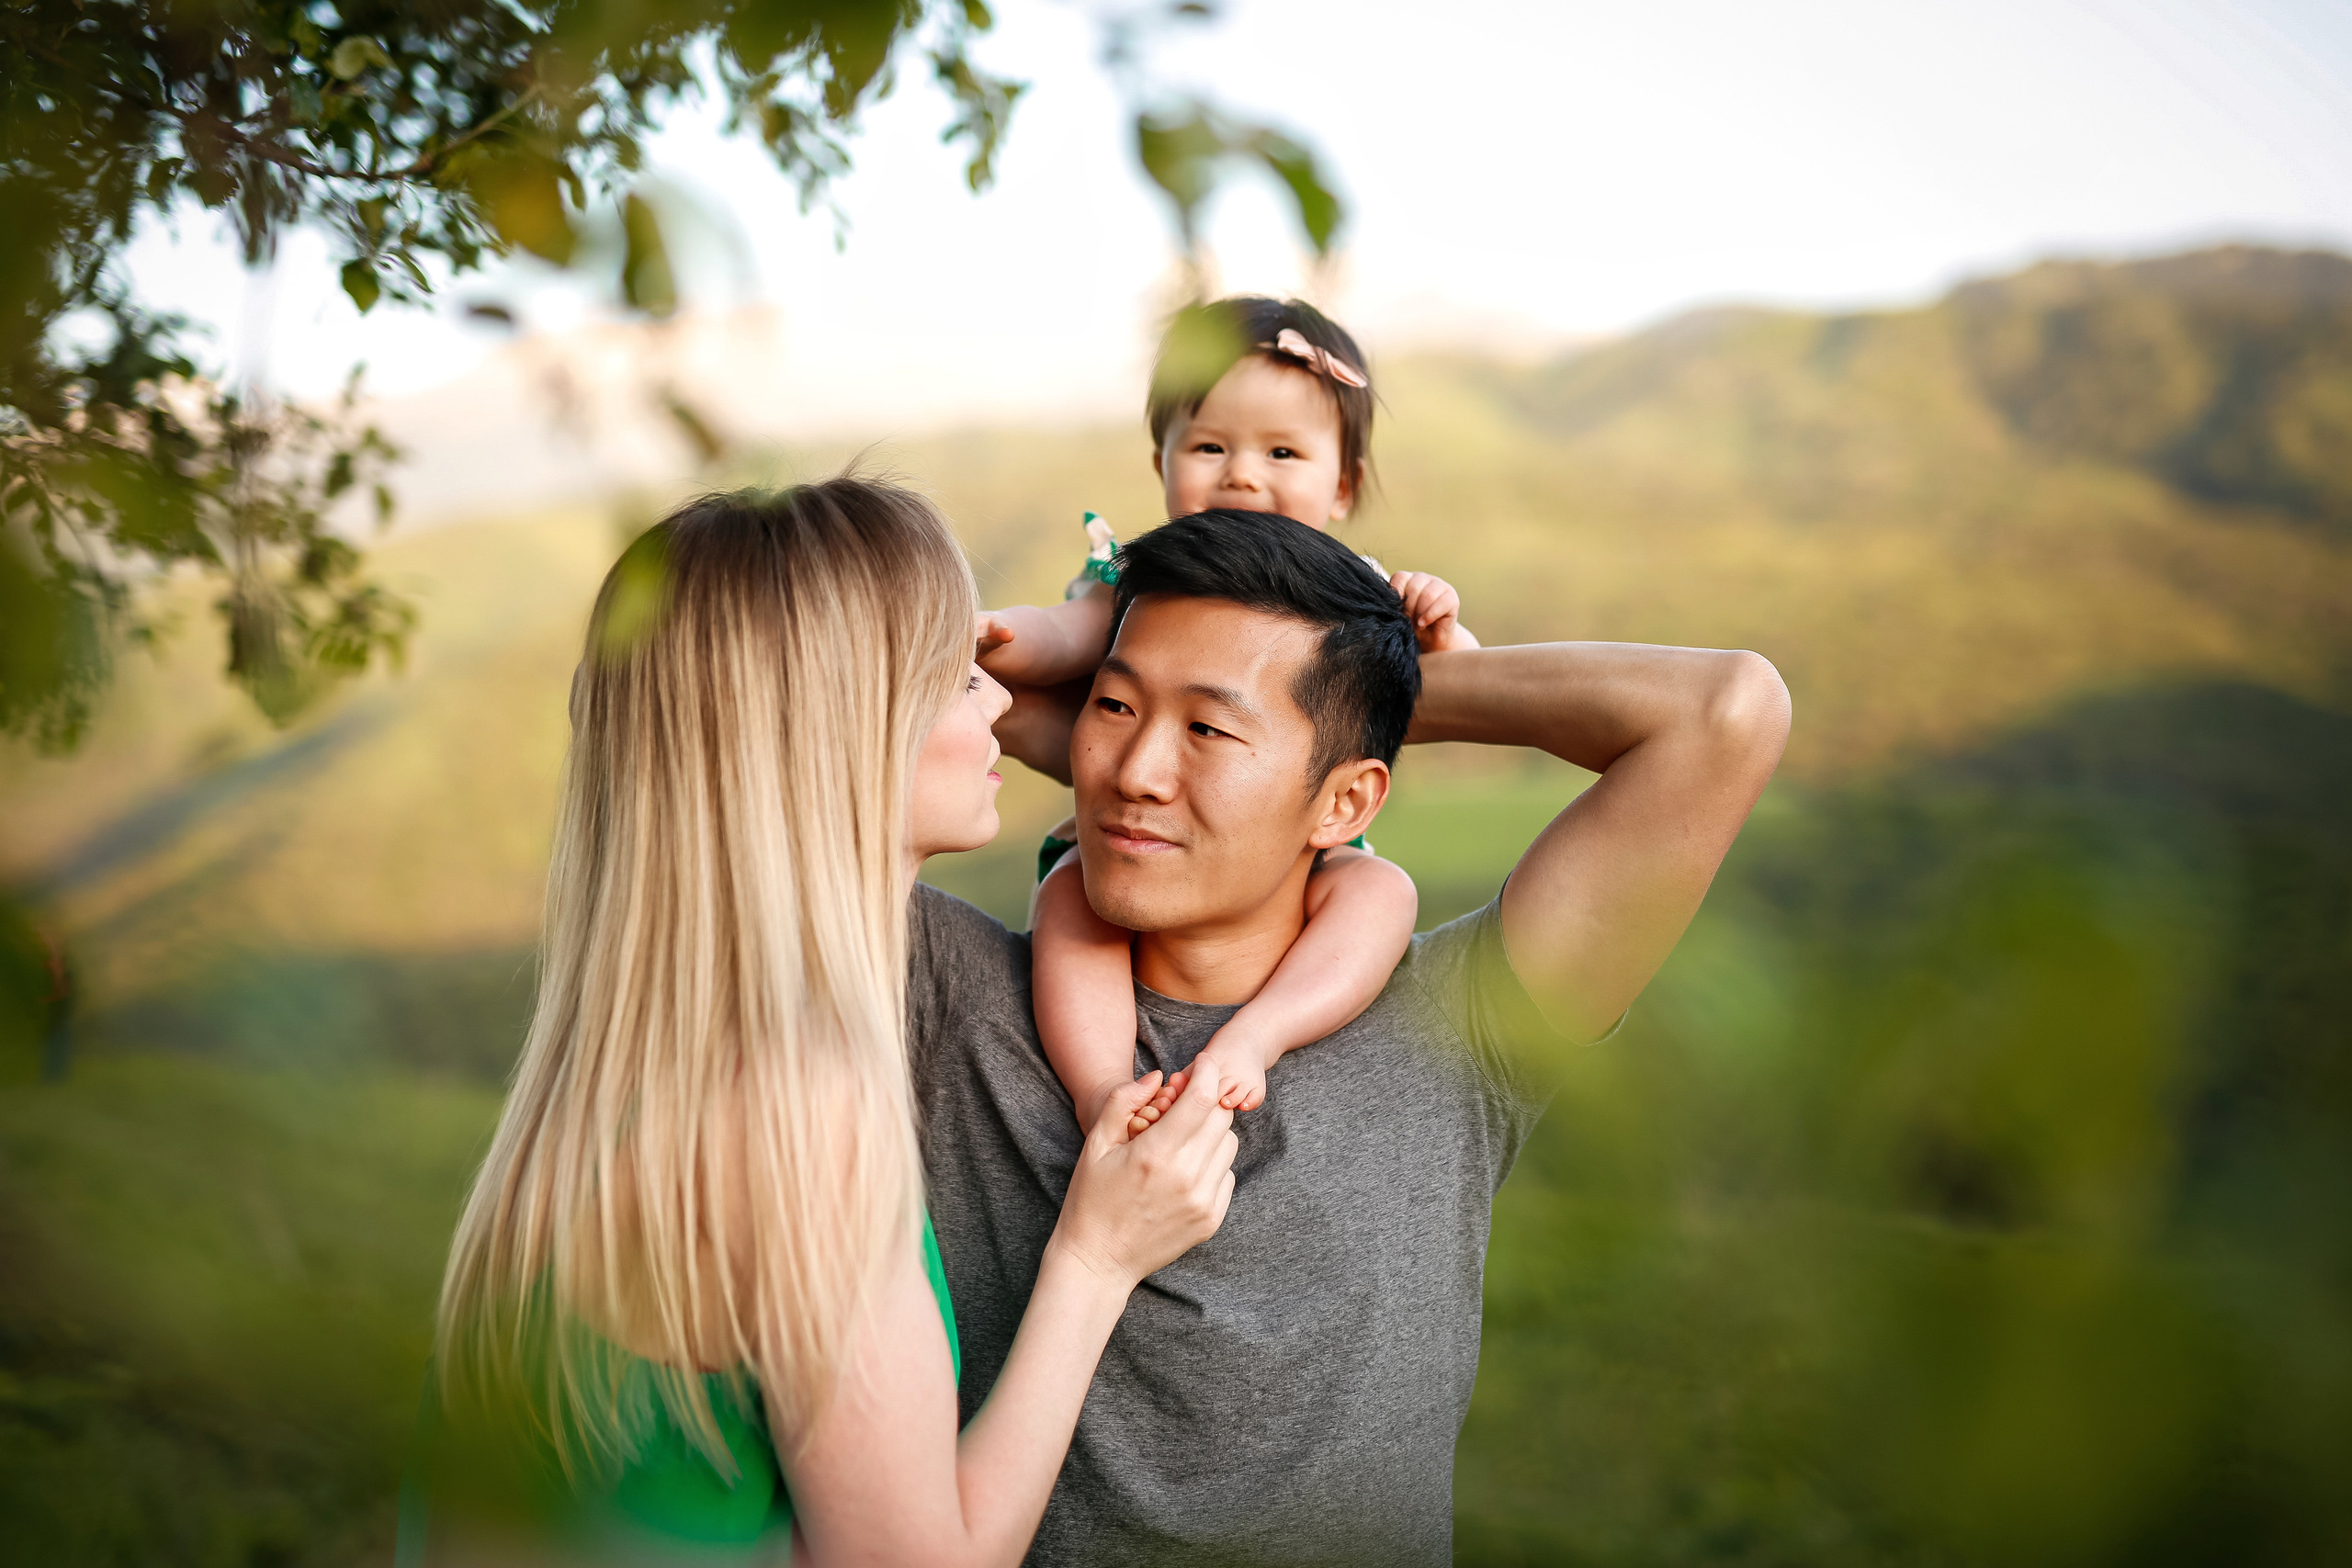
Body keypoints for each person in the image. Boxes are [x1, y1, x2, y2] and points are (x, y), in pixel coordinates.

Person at [910, 509, 1792, 1566]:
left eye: (1209, 729)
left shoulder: (1465, 1023)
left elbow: (1725, 713)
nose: (1132, 770)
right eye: (1111, 704)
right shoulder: (946, 990)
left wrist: (1372, 700)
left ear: (1347, 802)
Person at [401, 480, 1239, 1567]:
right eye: (950, 674)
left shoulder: (630, 1067)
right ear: (841, 735)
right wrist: (1096, 1257)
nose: (995, 701)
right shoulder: (799, 1109)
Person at [979, 297, 1466, 1129]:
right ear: (1161, 461)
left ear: (1342, 484)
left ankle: (1260, 1034)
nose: (1241, 473)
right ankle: (1102, 1083)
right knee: (1070, 895)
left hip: (1297, 846)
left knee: (1381, 891)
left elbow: (1462, 685)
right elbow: (1061, 637)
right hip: (1125, 856)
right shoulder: (1135, 581)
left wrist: (1441, 634)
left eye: (1282, 450)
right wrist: (986, 634)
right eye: (1209, 446)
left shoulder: (1359, 599)